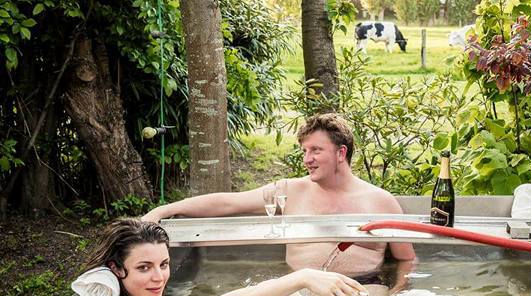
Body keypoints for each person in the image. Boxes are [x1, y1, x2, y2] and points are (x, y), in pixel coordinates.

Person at [142, 113, 415, 281]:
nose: (307, 159)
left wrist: (397, 293)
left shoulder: (381, 201)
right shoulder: (289, 191)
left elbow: (407, 260)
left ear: (341, 153)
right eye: (304, 151)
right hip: (299, 286)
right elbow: (229, 202)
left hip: (363, 286)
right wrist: (163, 210)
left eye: (316, 150)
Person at [75, 218, 369, 296]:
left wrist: (300, 279)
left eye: (163, 264)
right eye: (143, 268)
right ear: (116, 269)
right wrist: (301, 277)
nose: (158, 277)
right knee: (282, 295)